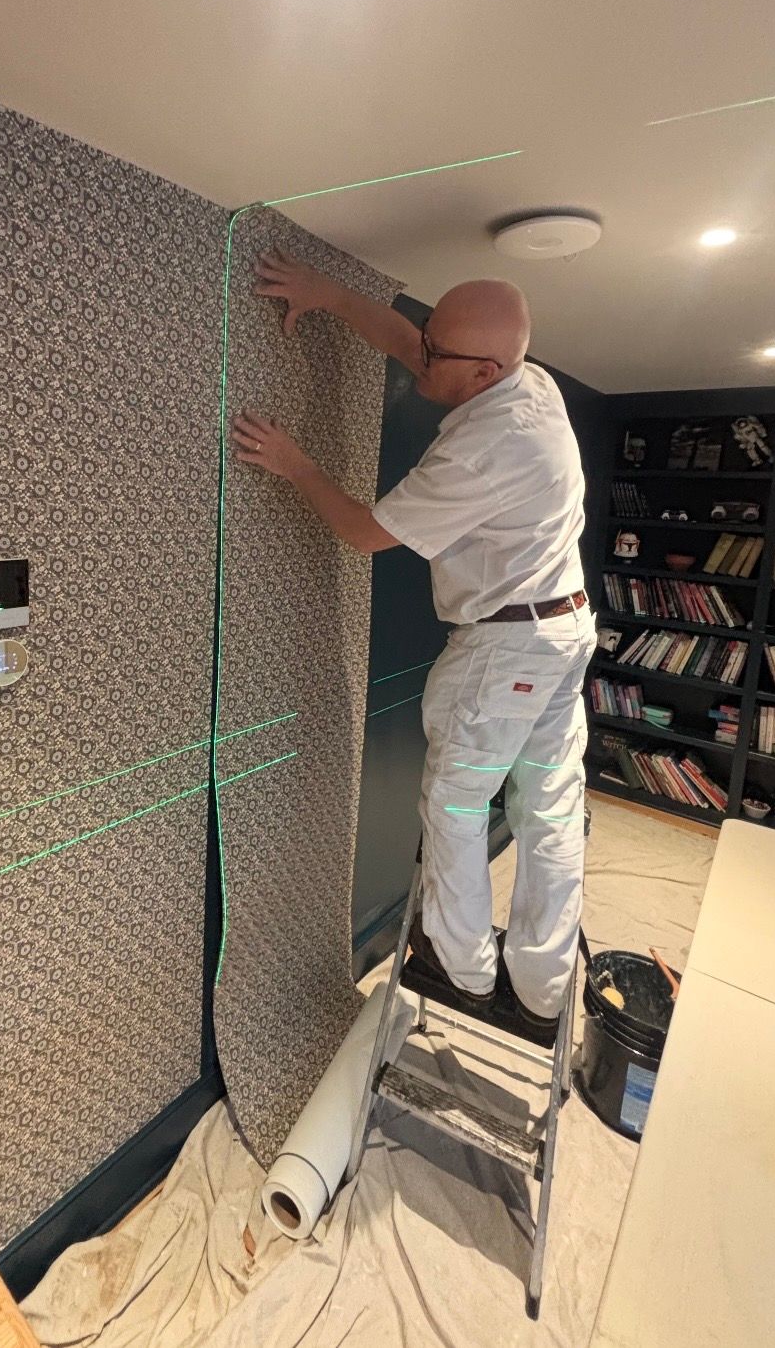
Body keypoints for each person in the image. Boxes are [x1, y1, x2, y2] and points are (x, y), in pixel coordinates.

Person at [232, 248, 595, 1029]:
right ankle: (543, 978)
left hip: (509, 649)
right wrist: (330, 294)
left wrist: (296, 464)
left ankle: (463, 965)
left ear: (487, 370)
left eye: (439, 351)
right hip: (561, 631)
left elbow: (366, 532)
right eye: (431, 335)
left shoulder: (488, 449)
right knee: (550, 802)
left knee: (457, 803)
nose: (421, 354)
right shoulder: (527, 380)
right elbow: (414, 347)